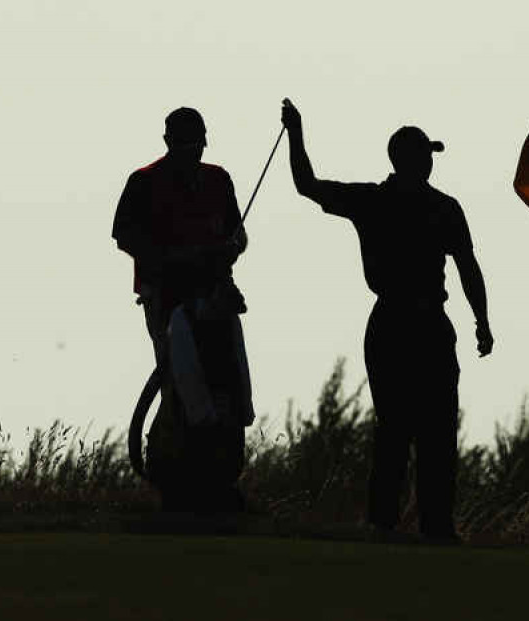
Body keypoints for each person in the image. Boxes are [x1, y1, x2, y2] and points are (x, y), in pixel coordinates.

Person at [280, 98, 494, 542]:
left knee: (425, 430)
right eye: (426, 157)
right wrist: (296, 132)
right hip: (407, 324)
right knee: (405, 429)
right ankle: (396, 525)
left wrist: (482, 320)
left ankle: (417, 525)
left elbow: (468, 267)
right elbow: (307, 184)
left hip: (414, 325)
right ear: (410, 160)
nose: (430, 165)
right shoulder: (418, 204)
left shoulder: (388, 202)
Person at [111, 107, 254, 515]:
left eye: (198, 143)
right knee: (181, 384)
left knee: (226, 384)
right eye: (185, 143)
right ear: (169, 142)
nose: (194, 150)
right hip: (168, 302)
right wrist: (176, 259)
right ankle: (176, 483)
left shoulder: (218, 180)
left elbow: (236, 233)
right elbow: (124, 236)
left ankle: (220, 481)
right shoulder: (144, 183)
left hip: (216, 298)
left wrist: (231, 248)